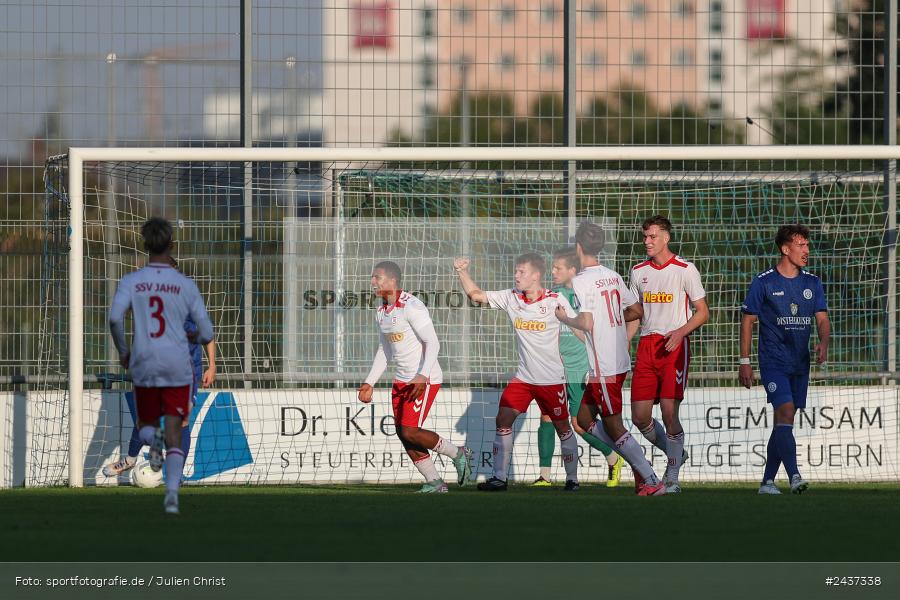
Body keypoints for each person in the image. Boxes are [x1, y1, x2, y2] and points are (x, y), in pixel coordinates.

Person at [109, 217, 214, 514]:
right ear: (171, 245)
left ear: (145, 246)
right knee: (179, 423)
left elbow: (115, 319)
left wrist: (124, 351)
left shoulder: (132, 281)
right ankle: (172, 489)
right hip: (179, 365)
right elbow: (206, 332)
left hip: (146, 362)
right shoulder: (185, 287)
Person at [555, 221, 666, 496]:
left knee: (613, 425)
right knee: (582, 419)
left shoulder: (581, 281)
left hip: (604, 363)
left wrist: (565, 318)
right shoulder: (612, 276)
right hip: (614, 359)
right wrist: (614, 319)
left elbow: (587, 321)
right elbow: (636, 309)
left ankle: (650, 477)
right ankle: (641, 469)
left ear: (579, 247)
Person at [455, 253, 580, 492]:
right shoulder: (512, 297)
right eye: (516, 271)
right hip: (523, 379)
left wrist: (593, 360)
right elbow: (476, 295)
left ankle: (572, 479)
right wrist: (461, 271)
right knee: (503, 419)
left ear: (536, 275)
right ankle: (499, 478)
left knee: (563, 427)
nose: (516, 275)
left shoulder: (556, 300)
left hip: (551, 380)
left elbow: (580, 327)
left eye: (521, 272)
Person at [358, 261, 472, 493]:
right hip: (401, 380)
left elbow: (433, 342)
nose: (372, 282)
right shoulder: (381, 311)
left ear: (392, 281)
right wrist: (369, 381)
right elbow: (385, 350)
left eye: (377, 278)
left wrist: (422, 375)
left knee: (410, 430)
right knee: (404, 433)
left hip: (424, 378)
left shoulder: (412, 305)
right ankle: (435, 482)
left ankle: (457, 453)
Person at [739, 224, 830, 495]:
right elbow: (747, 321)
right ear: (785, 249)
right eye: (801, 245)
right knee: (786, 411)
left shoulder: (812, 282)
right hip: (773, 361)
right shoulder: (764, 282)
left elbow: (822, 319)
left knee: (784, 421)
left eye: (807, 245)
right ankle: (794, 477)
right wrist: (744, 362)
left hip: (800, 363)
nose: (806, 250)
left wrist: (824, 342)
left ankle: (767, 482)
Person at [626, 216, 709, 493]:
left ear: (665, 238)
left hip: (674, 346)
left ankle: (672, 475)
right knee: (639, 416)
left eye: (652, 236)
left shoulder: (685, 269)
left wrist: (680, 332)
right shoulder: (638, 271)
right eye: (645, 237)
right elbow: (636, 313)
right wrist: (625, 340)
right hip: (647, 346)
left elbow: (703, 312)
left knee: (669, 411)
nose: (647, 241)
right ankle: (677, 453)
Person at [532, 247, 624, 487]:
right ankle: (544, 476)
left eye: (558, 268)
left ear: (572, 270)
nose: (552, 271)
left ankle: (613, 457)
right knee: (546, 416)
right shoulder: (551, 295)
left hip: (580, 367)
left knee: (578, 423)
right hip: (555, 367)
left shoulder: (585, 294)